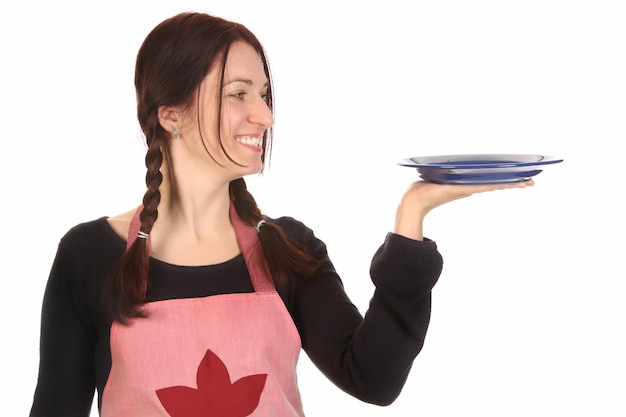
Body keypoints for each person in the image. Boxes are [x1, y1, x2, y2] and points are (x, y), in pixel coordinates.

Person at [29, 11, 533, 417]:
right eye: (239, 94)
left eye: (265, 96)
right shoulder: (91, 255)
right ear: (171, 114)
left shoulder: (286, 248)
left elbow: (374, 379)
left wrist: (412, 214)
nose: (265, 117)